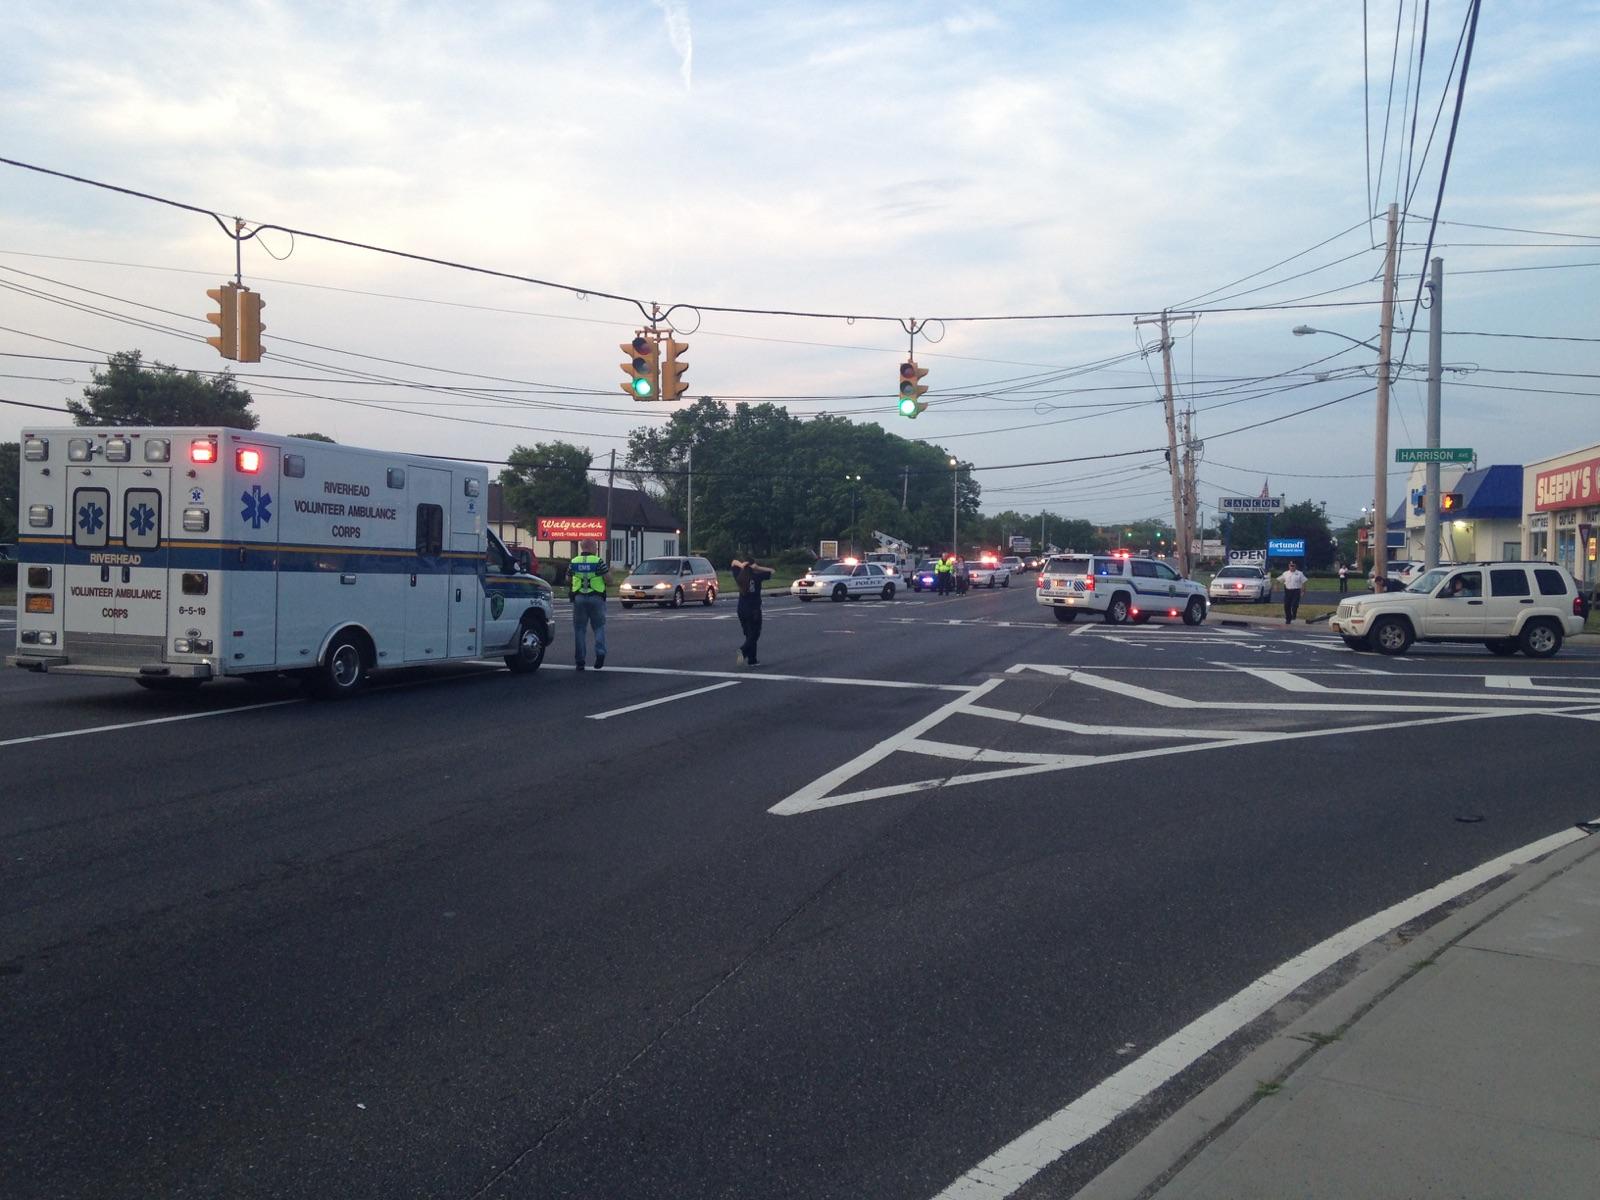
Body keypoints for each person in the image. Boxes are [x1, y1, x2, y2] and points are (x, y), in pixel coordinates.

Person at [568, 538, 609, 670]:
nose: (597, 549)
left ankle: (580, 661)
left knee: (579, 630)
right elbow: (608, 579)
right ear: (591, 547)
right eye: (596, 547)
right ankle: (600, 652)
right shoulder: (598, 562)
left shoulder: (574, 562)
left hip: (579, 598)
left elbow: (568, 578)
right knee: (598, 627)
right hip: (596, 597)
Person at [730, 554, 774, 667]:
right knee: (754, 634)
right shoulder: (757, 577)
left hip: (741, 609)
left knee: (748, 634)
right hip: (754, 610)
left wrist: (741, 565)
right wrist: (757, 567)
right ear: (752, 566)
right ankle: (743, 651)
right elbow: (772, 571)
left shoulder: (739, 576)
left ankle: (752, 659)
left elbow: (733, 562)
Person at [1279, 559, 1307, 624]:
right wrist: (1276, 586)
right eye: (1290, 565)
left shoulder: (1299, 573)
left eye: (1293, 565)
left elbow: (1304, 582)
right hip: (1288, 591)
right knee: (1286, 605)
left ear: (1295, 566)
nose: (1291, 567)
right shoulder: (1285, 573)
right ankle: (1288, 619)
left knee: (1294, 605)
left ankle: (1294, 614)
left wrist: (1303, 591)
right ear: (1289, 566)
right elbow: (1279, 580)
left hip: (1296, 591)